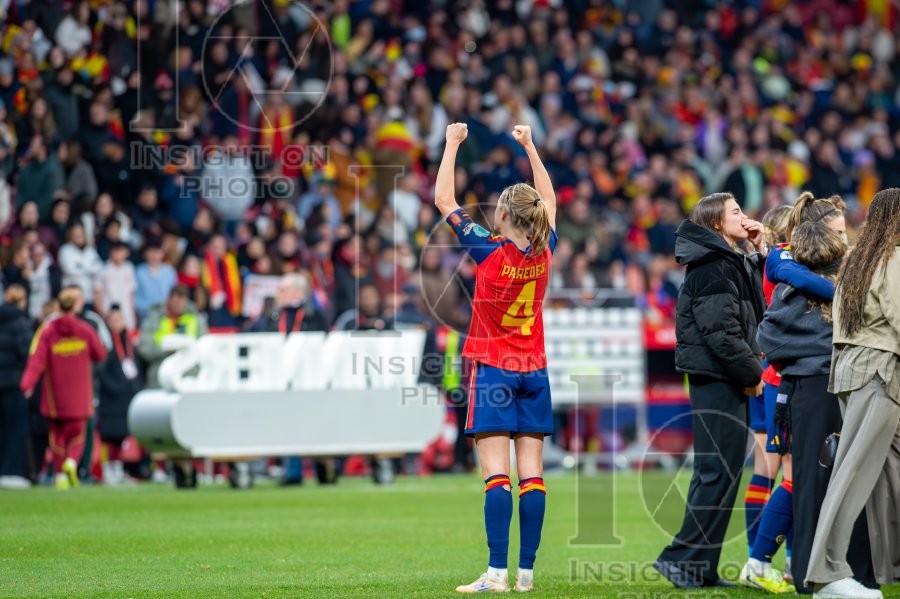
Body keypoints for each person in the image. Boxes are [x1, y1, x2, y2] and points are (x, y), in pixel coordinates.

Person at [436, 123, 557, 594]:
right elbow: (546, 199)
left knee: (496, 475)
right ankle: (526, 574)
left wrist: (451, 145)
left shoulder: (487, 250)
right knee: (533, 474)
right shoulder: (546, 250)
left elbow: (444, 199)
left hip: (493, 369)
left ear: (503, 213)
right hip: (535, 369)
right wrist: (529, 146)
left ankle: (496, 573)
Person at [754, 221, 877, 596]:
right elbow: (770, 339)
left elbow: (767, 338)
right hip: (822, 389)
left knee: (816, 481)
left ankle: (832, 570)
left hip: (807, 391)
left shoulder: (793, 288)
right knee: (821, 482)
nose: (844, 240)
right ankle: (820, 573)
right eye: (838, 234)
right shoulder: (818, 289)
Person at [654, 192, 767, 589]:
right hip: (716, 375)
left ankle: (699, 566)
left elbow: (757, 307)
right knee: (716, 470)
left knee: (724, 471)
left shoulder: (726, 261)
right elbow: (722, 333)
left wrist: (758, 250)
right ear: (717, 224)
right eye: (735, 211)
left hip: (723, 374)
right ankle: (679, 559)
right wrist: (755, 374)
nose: (744, 215)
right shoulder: (712, 265)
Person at [743, 193, 849, 590]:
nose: (845, 237)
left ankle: (782, 558)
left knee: (786, 471)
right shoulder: (784, 259)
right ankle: (759, 558)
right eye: (838, 230)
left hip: (784, 373)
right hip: (782, 378)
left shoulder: (798, 261)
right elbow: (794, 277)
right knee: (787, 473)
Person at [805, 189, 900, 599]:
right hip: (880, 371)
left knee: (890, 475)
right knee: (856, 470)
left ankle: (890, 566)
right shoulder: (893, 257)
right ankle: (828, 573)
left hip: (851, 368)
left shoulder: (856, 259)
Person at [19, 287, 107, 490]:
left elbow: (36, 360)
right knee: (78, 435)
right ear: (75, 306)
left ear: (58, 305)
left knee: (57, 436)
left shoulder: (48, 331)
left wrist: (27, 384)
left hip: (55, 397)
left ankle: (59, 475)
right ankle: (72, 463)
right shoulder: (85, 329)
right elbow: (100, 353)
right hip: (80, 395)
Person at [250, 272, 332, 486]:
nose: (278, 293)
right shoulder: (274, 315)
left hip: (308, 379)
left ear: (298, 291)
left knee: (314, 426)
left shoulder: (315, 315)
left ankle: (324, 468)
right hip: (281, 377)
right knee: (288, 424)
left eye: (283, 289)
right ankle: (293, 470)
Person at [96, 305, 142, 485]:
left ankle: (120, 469)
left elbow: (135, 366)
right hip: (110, 398)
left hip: (126, 398)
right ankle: (109, 468)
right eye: (113, 320)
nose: (116, 323)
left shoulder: (129, 342)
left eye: (119, 319)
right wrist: (113, 386)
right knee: (110, 436)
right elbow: (100, 370)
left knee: (123, 434)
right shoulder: (105, 343)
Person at [138, 284, 208, 389]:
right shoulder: (154, 319)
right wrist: (164, 350)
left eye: (182, 301)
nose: (179, 305)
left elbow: (204, 347)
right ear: (168, 299)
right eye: (176, 301)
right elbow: (144, 348)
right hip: (159, 374)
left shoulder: (195, 320)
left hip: (189, 375)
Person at [0, 286, 34, 489]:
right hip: (15, 382)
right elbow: (27, 352)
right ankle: (13, 472)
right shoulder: (20, 322)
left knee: (2, 427)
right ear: (22, 302)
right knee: (17, 427)